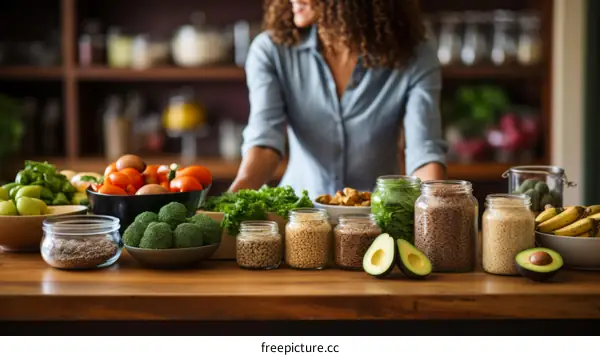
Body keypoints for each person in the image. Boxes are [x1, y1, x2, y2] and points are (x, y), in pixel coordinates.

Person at [229, 0, 448, 198]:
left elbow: (424, 152)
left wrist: (436, 212)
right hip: (301, 219)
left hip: (377, 219)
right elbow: (265, 142)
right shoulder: (271, 50)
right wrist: (233, 200)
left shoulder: (415, 55)